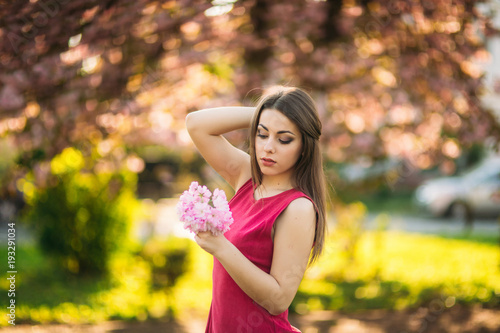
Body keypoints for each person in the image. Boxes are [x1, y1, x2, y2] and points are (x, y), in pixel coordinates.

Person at [185, 86, 327, 332]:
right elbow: (196, 124)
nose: (268, 147)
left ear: (305, 146)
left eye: (284, 139)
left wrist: (221, 247)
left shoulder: (298, 208)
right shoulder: (247, 176)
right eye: (262, 134)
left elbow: (279, 299)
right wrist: (268, 112)